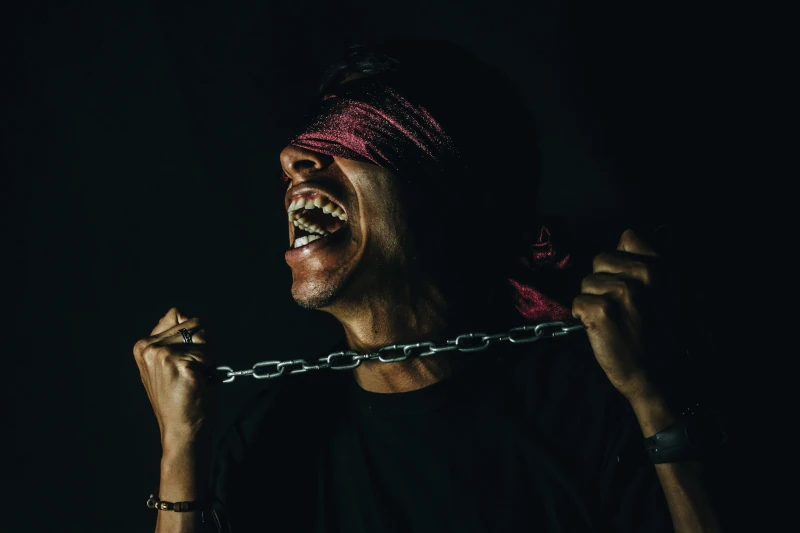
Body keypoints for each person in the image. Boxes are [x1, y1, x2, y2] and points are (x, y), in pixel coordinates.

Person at [133, 41, 725, 532]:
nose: (295, 157)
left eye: (352, 132)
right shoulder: (271, 442)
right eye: (311, 137)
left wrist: (656, 400)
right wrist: (182, 451)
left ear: (446, 191)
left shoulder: (594, 405)